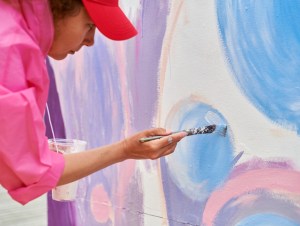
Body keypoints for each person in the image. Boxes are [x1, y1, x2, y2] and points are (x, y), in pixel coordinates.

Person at [0, 0, 187, 205]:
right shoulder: (10, 51)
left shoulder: (11, 28)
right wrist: (125, 150)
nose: (91, 41)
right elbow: (33, 171)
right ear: (59, 6)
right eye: (89, 25)